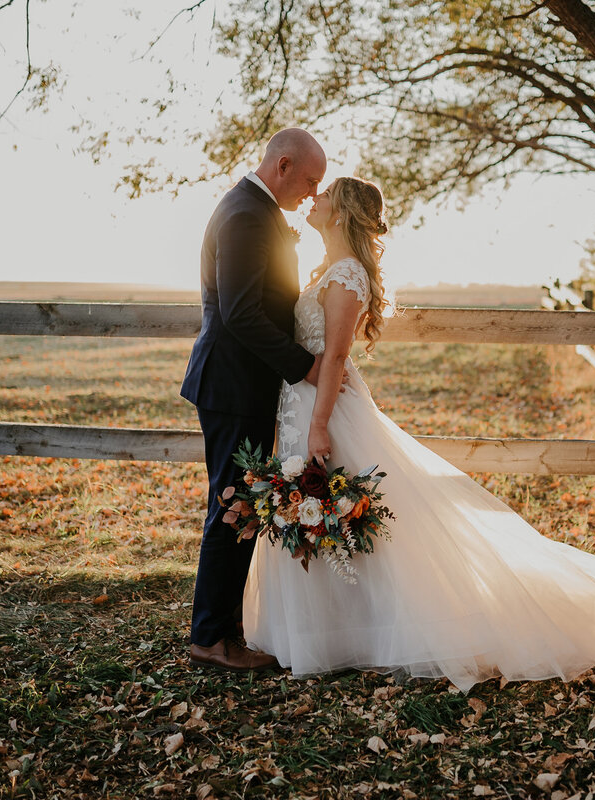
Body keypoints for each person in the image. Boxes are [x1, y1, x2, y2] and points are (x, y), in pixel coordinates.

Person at [242, 177, 595, 691]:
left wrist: (319, 426)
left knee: (348, 515)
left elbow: (334, 356)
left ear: (342, 212)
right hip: (299, 405)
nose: (315, 198)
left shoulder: (348, 274)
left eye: (325, 193)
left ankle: (369, 630)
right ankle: (327, 630)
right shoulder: (328, 268)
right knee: (324, 514)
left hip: (324, 409)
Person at [180, 128, 327, 671]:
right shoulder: (245, 214)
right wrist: (305, 365)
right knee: (232, 506)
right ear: (283, 165)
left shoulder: (256, 210)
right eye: (310, 180)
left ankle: (223, 628)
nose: (313, 193)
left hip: (242, 384)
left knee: (240, 505)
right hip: (231, 383)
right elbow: (240, 313)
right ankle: (211, 640)